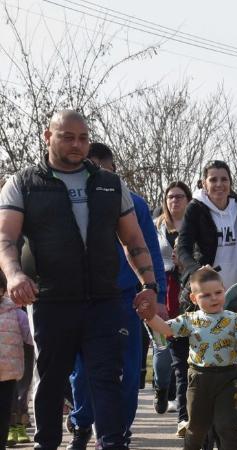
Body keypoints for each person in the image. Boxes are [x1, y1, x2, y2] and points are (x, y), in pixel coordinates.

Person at [0, 109, 161, 450]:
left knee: (107, 379)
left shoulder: (110, 183)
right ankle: (47, 445)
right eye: (67, 137)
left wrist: (148, 286)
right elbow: (6, 238)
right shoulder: (23, 184)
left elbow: (133, 241)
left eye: (83, 138)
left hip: (104, 300)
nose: (77, 145)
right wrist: (14, 275)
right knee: (52, 381)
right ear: (48, 137)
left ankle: (113, 444)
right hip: (51, 301)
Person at [65, 142, 167, 448]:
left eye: (102, 172)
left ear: (113, 172)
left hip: (125, 299)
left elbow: (148, 249)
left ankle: (118, 430)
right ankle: (82, 424)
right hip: (81, 299)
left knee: (128, 368)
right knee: (81, 371)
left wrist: (155, 292)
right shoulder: (69, 202)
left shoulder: (134, 204)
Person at [140, 266, 237, 450]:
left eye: (218, 292)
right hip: (199, 379)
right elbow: (166, 329)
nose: (214, 298)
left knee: (228, 428)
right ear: (194, 298)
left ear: (224, 290)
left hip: (227, 379)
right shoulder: (190, 319)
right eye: (206, 295)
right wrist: (150, 317)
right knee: (196, 429)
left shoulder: (233, 319)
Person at [176, 160, 237, 302]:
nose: (219, 184)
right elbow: (182, 248)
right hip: (208, 291)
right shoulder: (195, 209)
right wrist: (196, 270)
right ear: (204, 184)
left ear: (230, 183)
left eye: (224, 179)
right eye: (213, 180)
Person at [153, 181, 193, 436]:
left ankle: (185, 415)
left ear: (188, 200)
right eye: (170, 197)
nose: (174, 201)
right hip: (164, 291)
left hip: (189, 290)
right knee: (163, 351)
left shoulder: (196, 225)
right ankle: (160, 386)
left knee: (184, 360)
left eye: (179, 197)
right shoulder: (156, 225)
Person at [0, 272, 25, 449]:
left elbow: (31, 333)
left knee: (3, 415)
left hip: (8, 375)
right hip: (9, 372)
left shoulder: (15, 311)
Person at [7, 299, 34, 446]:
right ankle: (10, 428)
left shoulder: (21, 314)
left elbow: (30, 338)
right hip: (5, 361)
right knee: (8, 395)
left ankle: (20, 426)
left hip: (22, 357)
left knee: (22, 392)